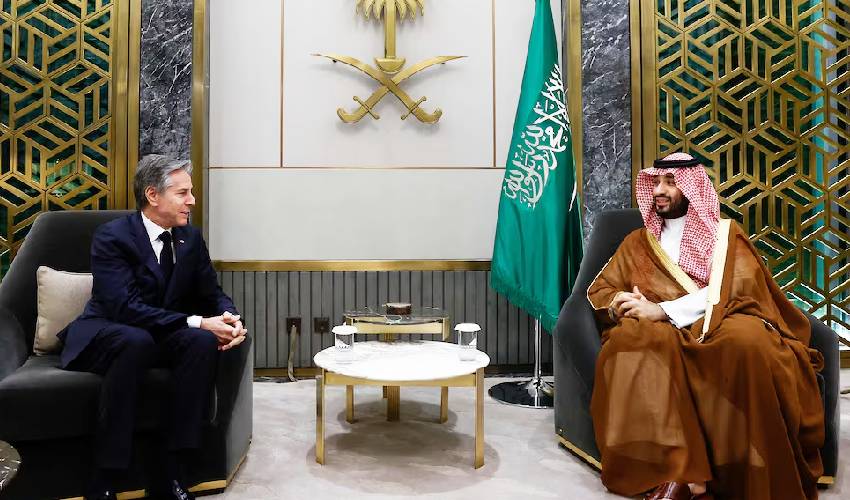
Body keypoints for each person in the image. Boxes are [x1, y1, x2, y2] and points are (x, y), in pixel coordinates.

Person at [587, 152, 824, 500]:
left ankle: (747, 470)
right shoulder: (638, 241)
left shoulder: (725, 236)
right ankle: (680, 474)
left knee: (748, 344)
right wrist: (622, 301)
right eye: (656, 182)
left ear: (692, 188)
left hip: (720, 319)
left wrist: (663, 310)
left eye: (671, 183)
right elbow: (604, 288)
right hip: (661, 329)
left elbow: (737, 288)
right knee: (629, 339)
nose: (659, 191)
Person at [58, 155, 247, 500]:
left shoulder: (190, 238)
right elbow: (124, 307)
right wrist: (197, 321)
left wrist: (230, 319)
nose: (192, 200)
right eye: (183, 193)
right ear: (152, 195)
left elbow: (211, 293)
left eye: (191, 192)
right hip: (110, 331)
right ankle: (106, 476)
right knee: (137, 340)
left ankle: (170, 472)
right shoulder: (113, 237)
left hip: (157, 335)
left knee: (200, 343)